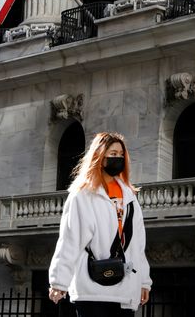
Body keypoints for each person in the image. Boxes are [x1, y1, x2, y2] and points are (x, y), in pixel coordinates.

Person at [48, 131, 151, 316]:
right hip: (91, 288)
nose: (118, 159)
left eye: (121, 155)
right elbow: (70, 239)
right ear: (99, 156)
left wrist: (144, 281)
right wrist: (58, 282)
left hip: (125, 289)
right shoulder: (82, 195)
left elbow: (138, 244)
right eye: (113, 154)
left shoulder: (130, 197)